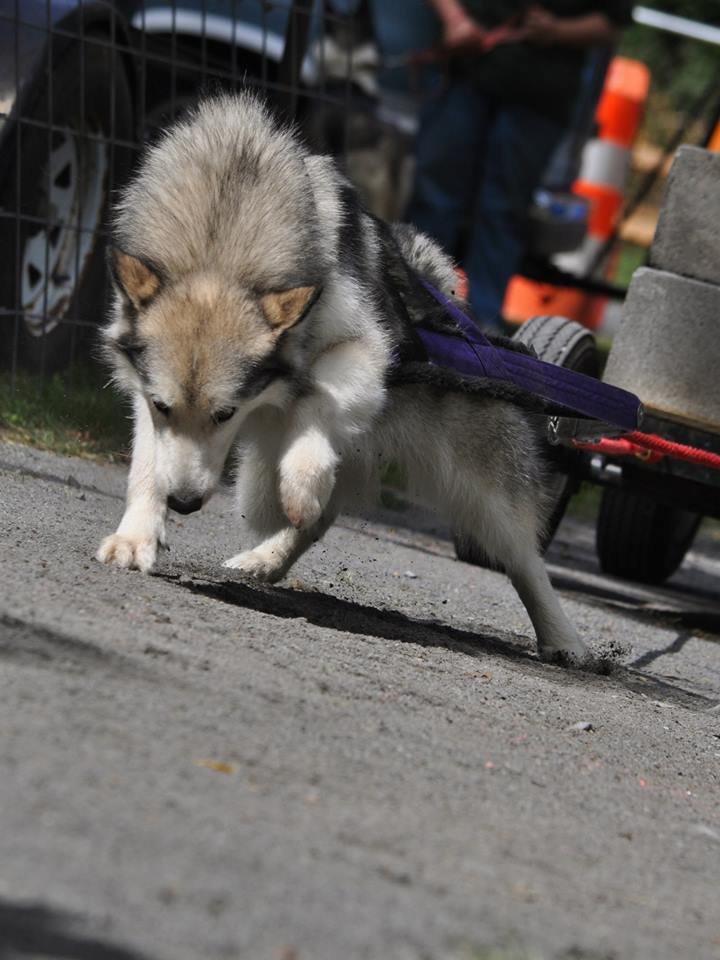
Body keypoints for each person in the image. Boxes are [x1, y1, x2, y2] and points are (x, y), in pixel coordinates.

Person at [405, 0, 632, 328]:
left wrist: (557, 31)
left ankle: (479, 329)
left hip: (540, 95)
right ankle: (410, 302)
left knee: (502, 211)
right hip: (466, 72)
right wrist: (454, 20)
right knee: (435, 196)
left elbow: (612, 23)